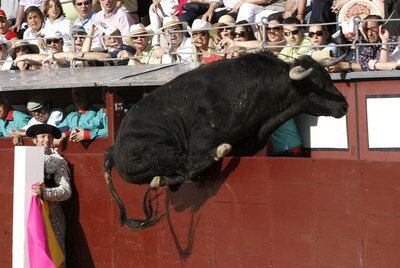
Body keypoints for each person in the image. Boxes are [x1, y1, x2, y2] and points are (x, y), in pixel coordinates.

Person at [27, 123, 71, 263]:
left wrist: (45, 193)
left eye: (50, 137)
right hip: (28, 215)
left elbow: (66, 191)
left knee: (54, 256)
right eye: (42, 136)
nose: (46, 140)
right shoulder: (25, 159)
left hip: (52, 215)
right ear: (35, 140)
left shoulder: (58, 161)